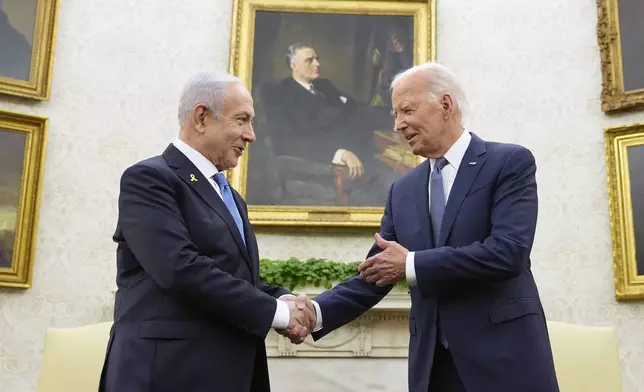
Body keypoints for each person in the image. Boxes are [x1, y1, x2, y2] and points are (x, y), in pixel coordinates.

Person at [308, 62, 560, 392]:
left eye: (406, 110)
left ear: (445, 104)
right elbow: (377, 272)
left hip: (505, 362)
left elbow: (507, 252)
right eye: (395, 114)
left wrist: (411, 264)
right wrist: (315, 311)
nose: (398, 125)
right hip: (434, 370)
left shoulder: (508, 163)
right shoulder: (403, 189)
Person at [98, 71, 318, 392]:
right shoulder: (149, 179)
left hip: (226, 372)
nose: (251, 135)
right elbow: (180, 268)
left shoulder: (231, 197)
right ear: (201, 118)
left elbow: (235, 278)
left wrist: (280, 297)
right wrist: (277, 313)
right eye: (241, 120)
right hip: (165, 374)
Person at [263, 42, 398, 206]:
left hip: (364, 152)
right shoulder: (281, 95)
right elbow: (290, 142)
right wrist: (340, 153)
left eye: (317, 59)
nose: (317, 64)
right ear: (293, 65)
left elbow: (356, 110)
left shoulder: (323, 85)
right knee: (393, 185)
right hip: (330, 168)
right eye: (309, 60)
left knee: (399, 175)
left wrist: (396, 119)